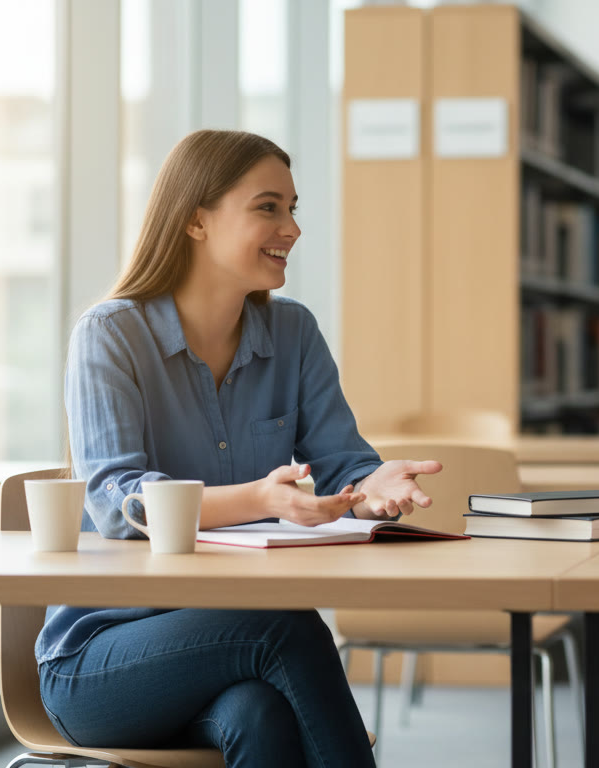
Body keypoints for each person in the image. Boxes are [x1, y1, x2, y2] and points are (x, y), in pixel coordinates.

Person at [37, 129, 441, 768]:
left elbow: (343, 464)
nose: (292, 228)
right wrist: (258, 499)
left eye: (293, 208)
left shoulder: (294, 332)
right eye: (268, 207)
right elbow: (116, 504)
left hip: (230, 649)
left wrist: (373, 488)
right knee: (284, 624)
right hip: (102, 656)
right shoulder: (110, 334)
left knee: (261, 716)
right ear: (196, 220)